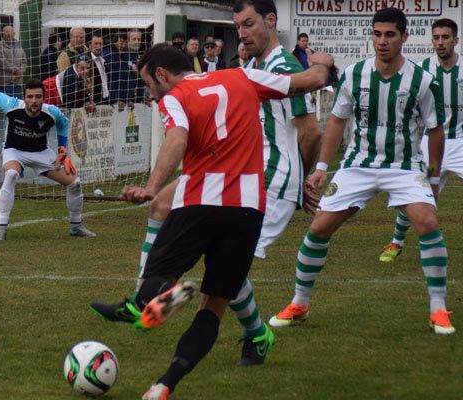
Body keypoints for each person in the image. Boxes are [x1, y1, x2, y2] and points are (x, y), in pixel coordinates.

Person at [91, 0, 324, 368]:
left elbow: (310, 131)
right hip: (227, 171)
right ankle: (146, 297)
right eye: (238, 27)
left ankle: (252, 331)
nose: (242, 34)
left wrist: (302, 180)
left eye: (248, 25)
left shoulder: (284, 64)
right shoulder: (249, 67)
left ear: (271, 21)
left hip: (265, 176)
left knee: (224, 267)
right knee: (163, 208)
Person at [269, 8, 455, 335]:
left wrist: (435, 175)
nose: (382, 41)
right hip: (357, 165)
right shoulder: (355, 74)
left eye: (390, 35)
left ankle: (438, 308)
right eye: (377, 34)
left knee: (427, 222)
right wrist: (323, 167)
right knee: (319, 226)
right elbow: (338, 120)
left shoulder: (423, 81)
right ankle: (299, 302)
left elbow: (435, 130)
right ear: (371, 35)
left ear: (404, 37)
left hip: (406, 166)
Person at [0, 79, 96, 241]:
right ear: (24, 97)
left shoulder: (52, 112)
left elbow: (64, 123)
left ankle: (76, 227)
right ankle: (1, 229)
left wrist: (62, 150)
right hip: (14, 151)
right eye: (30, 97)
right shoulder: (13, 105)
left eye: (38, 97)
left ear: (43, 97)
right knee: (11, 174)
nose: (34, 101)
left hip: (41, 153)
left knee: (75, 183)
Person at [379, 18, 463, 263]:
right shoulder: (424, 70)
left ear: (455, 40)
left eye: (445, 37)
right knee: (417, 194)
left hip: (460, 142)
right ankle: (396, 241)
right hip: (430, 144)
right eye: (436, 37)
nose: (440, 42)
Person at [0, 25, 27, 99]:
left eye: (11, 31)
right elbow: (1, 61)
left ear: (14, 33)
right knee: (4, 104)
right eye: (6, 32)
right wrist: (15, 70)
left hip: (17, 81)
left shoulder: (19, 45)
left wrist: (21, 71)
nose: (9, 34)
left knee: (17, 104)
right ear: (3, 34)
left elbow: (24, 61)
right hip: (4, 82)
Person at [105, 32, 133, 111]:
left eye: (125, 42)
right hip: (112, 103)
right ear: (114, 42)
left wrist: (128, 100)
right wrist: (115, 100)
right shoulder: (108, 56)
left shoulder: (126, 56)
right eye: (121, 42)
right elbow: (110, 79)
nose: (123, 45)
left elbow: (127, 80)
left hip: (123, 100)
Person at [88, 33, 110, 105]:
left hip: (105, 101)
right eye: (96, 43)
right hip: (93, 103)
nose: (98, 46)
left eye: (100, 44)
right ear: (90, 45)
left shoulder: (104, 61)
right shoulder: (86, 60)